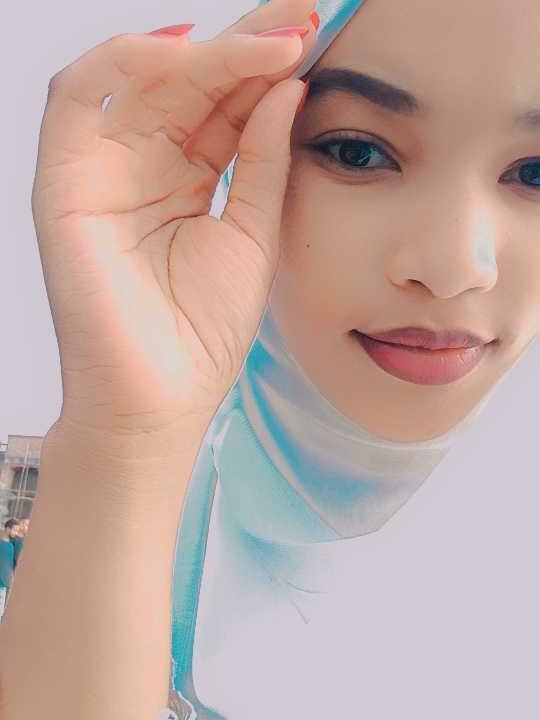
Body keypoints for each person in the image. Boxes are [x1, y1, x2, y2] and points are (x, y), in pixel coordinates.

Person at [1, 0, 540, 717]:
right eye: (357, 153)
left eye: (535, 172)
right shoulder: (55, 530)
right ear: (235, 152)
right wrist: (125, 438)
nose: (454, 269)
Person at [0, 527, 14, 622]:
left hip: (3, 585)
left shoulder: (11, 546)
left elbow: (9, 565)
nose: (15, 533)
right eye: (14, 530)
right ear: (7, 528)